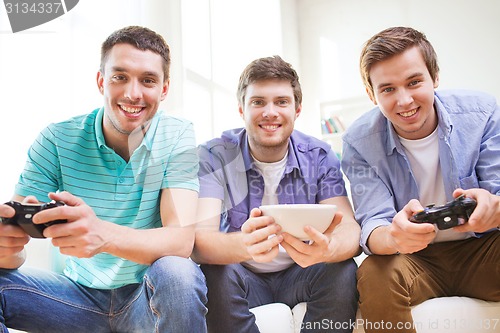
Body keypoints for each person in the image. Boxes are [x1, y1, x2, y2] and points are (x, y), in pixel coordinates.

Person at [0, 26, 207, 332]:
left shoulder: (177, 135)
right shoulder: (57, 139)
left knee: (177, 271)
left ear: (164, 89)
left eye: (147, 80)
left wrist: (102, 235)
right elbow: (13, 251)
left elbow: (180, 240)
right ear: (101, 81)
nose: (133, 93)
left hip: (145, 299)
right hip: (74, 298)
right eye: (119, 77)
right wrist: (8, 247)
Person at [341, 26, 500, 333]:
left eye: (414, 82)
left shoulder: (482, 112)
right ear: (371, 94)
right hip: (414, 260)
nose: (404, 101)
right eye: (387, 89)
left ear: (435, 77)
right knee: (374, 274)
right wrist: (394, 236)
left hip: (483, 248)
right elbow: (373, 223)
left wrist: (494, 209)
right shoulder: (358, 142)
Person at [193, 55, 360, 333]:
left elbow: (350, 229)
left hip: (302, 272)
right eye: (258, 102)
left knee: (342, 269)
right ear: (241, 109)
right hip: (242, 275)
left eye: (281, 102)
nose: (270, 112)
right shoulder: (214, 156)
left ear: (297, 109)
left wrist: (328, 248)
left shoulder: (319, 155)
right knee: (213, 271)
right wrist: (246, 246)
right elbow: (200, 240)